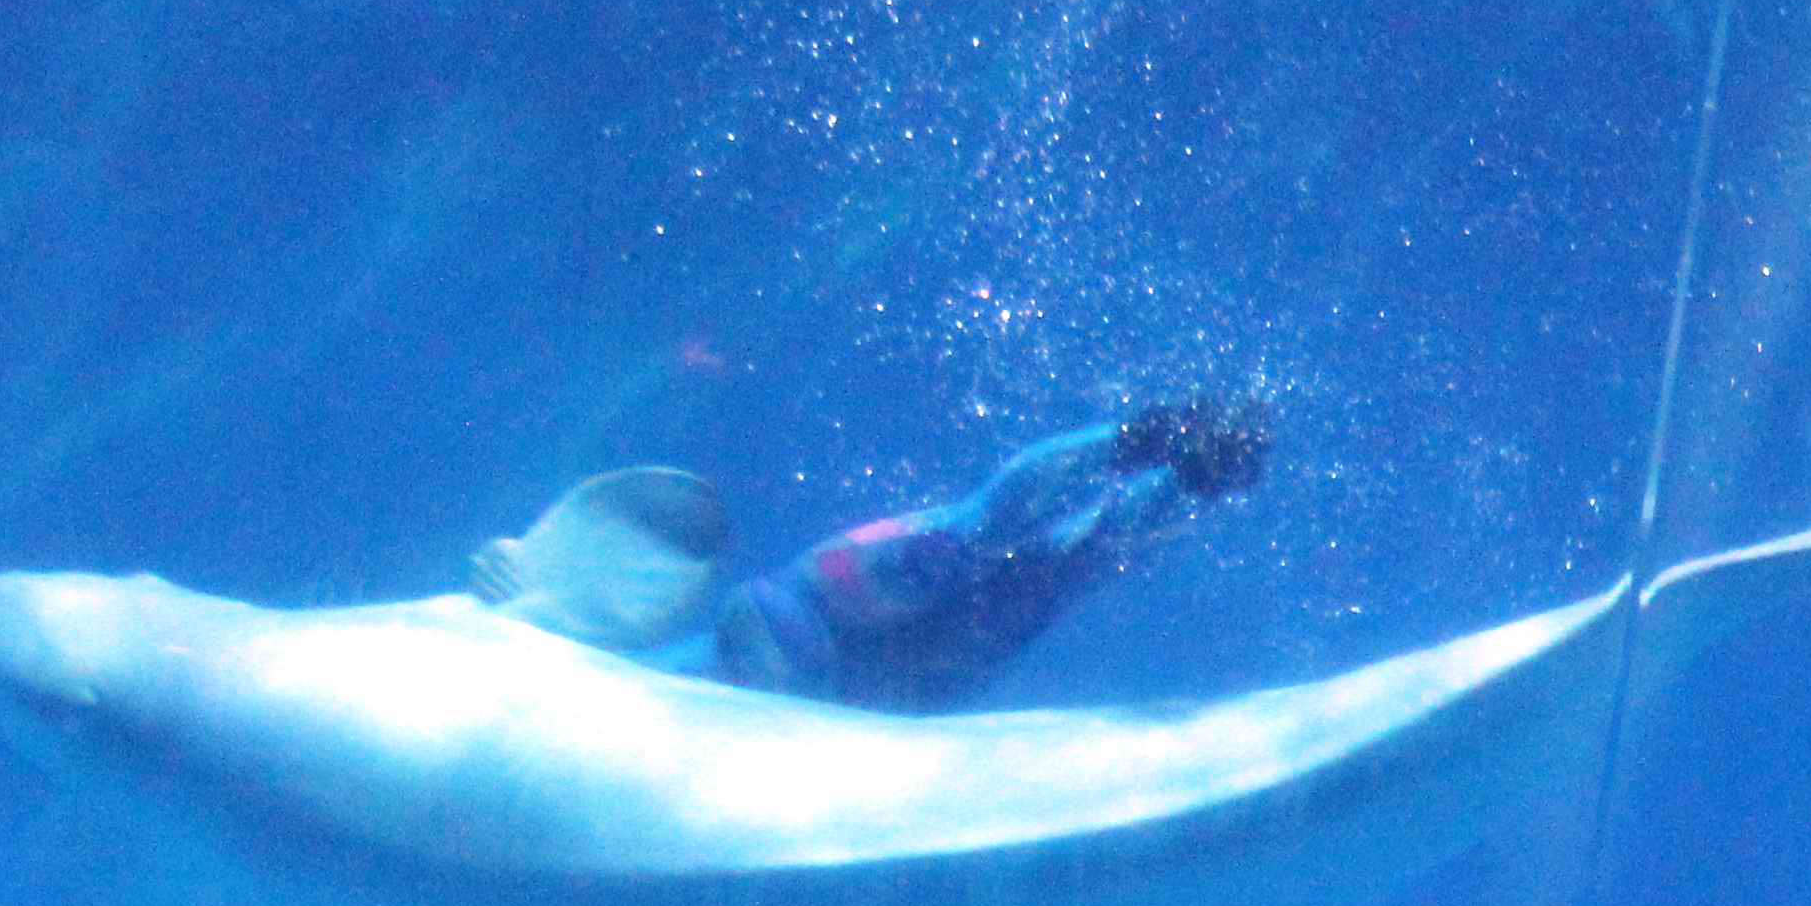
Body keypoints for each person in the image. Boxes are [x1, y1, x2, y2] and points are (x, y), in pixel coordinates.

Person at [473, 395, 1268, 711]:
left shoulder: (538, 694)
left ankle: (1152, 446)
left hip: (805, 627)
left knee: (974, 540)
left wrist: (509, 590)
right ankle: (1192, 476)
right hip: (874, 704)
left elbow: (552, 613)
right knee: (1053, 573)